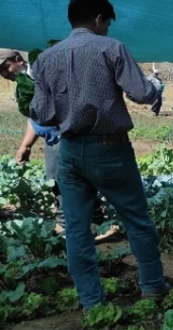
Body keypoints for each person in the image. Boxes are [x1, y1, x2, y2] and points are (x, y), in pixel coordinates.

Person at [29, 0, 169, 310]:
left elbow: (41, 114)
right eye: (106, 23)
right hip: (110, 150)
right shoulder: (111, 48)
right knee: (137, 220)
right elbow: (141, 93)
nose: (107, 28)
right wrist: (156, 87)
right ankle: (152, 288)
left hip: (69, 151)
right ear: (98, 19)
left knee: (77, 229)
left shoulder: (46, 59)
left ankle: (92, 302)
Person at [0, 48, 103, 227]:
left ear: (18, 59)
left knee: (73, 182)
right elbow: (33, 118)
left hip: (70, 136)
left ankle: (79, 224)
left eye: (5, 67)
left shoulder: (44, 74)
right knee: (55, 182)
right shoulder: (22, 87)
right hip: (52, 140)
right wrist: (25, 145)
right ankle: (80, 222)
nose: (3, 74)